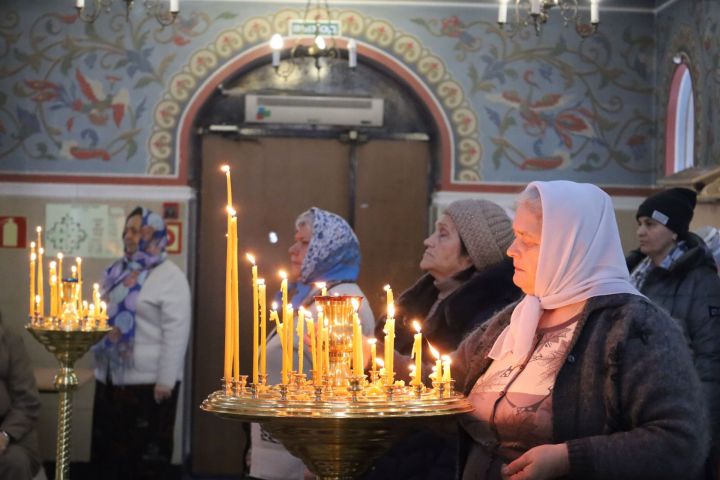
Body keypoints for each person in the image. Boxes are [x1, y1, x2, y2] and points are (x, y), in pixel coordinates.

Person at [450, 181, 707, 480]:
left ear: (568, 247)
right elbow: (449, 383)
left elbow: (680, 442)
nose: (511, 251)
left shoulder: (636, 325)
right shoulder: (517, 315)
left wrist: (569, 458)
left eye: (526, 240)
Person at [364, 198, 522, 479]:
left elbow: (458, 398)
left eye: (443, 233)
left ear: (471, 254)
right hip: (387, 455)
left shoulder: (488, 318)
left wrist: (381, 358)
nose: (428, 241)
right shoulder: (415, 302)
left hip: (438, 463)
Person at [249, 207, 375, 480]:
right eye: (296, 240)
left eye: (305, 243)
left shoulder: (342, 303)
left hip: (305, 462)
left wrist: (325, 456)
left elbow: (340, 390)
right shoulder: (311, 297)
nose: (293, 250)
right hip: (281, 453)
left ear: (329, 249)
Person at [90, 207, 191, 480]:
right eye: (127, 230)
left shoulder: (171, 277)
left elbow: (176, 332)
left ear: (153, 233)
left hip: (150, 385)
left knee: (144, 463)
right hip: (110, 378)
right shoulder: (116, 271)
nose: (129, 236)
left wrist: (166, 380)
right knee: (108, 460)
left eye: (136, 230)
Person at [627, 187, 720, 476]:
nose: (641, 231)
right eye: (640, 224)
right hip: (636, 403)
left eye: (651, 224)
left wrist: (699, 425)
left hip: (679, 410)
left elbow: (711, 358)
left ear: (674, 232)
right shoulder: (632, 272)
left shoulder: (701, 281)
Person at [0, 314, 42, 479]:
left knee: (14, 462)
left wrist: (4, 435)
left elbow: (27, 401)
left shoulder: (10, 341)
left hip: (10, 433)